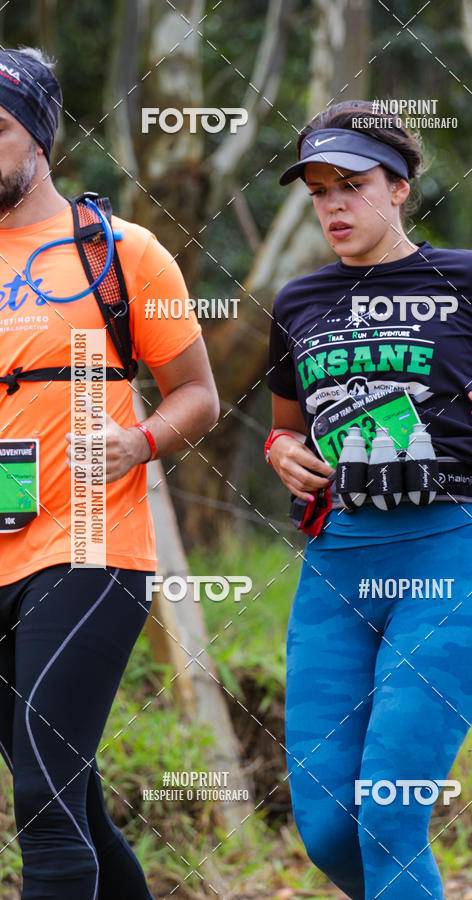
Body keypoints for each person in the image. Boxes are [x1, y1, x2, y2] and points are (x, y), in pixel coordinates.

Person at [265, 100, 472, 900]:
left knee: (389, 816)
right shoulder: (299, 302)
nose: (333, 205)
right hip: (336, 567)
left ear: (399, 188)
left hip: (449, 559)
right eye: (318, 191)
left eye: (352, 185)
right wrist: (283, 455)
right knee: (328, 827)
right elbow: (284, 431)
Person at [0, 48, 219, 898]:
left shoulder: (124, 254)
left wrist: (144, 440)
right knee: (72, 798)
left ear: (41, 137)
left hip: (89, 545)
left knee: (44, 804)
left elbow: (195, 394)